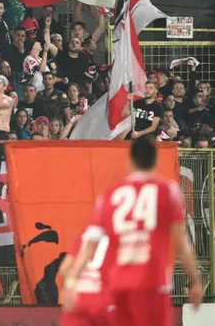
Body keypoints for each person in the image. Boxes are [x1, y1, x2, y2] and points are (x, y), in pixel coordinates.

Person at [61, 137, 202, 326]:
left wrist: (71, 281)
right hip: (152, 283)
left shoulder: (110, 195)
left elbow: (89, 246)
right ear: (156, 160)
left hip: (119, 285)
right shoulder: (167, 190)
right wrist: (194, 280)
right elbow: (181, 243)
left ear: (130, 160)